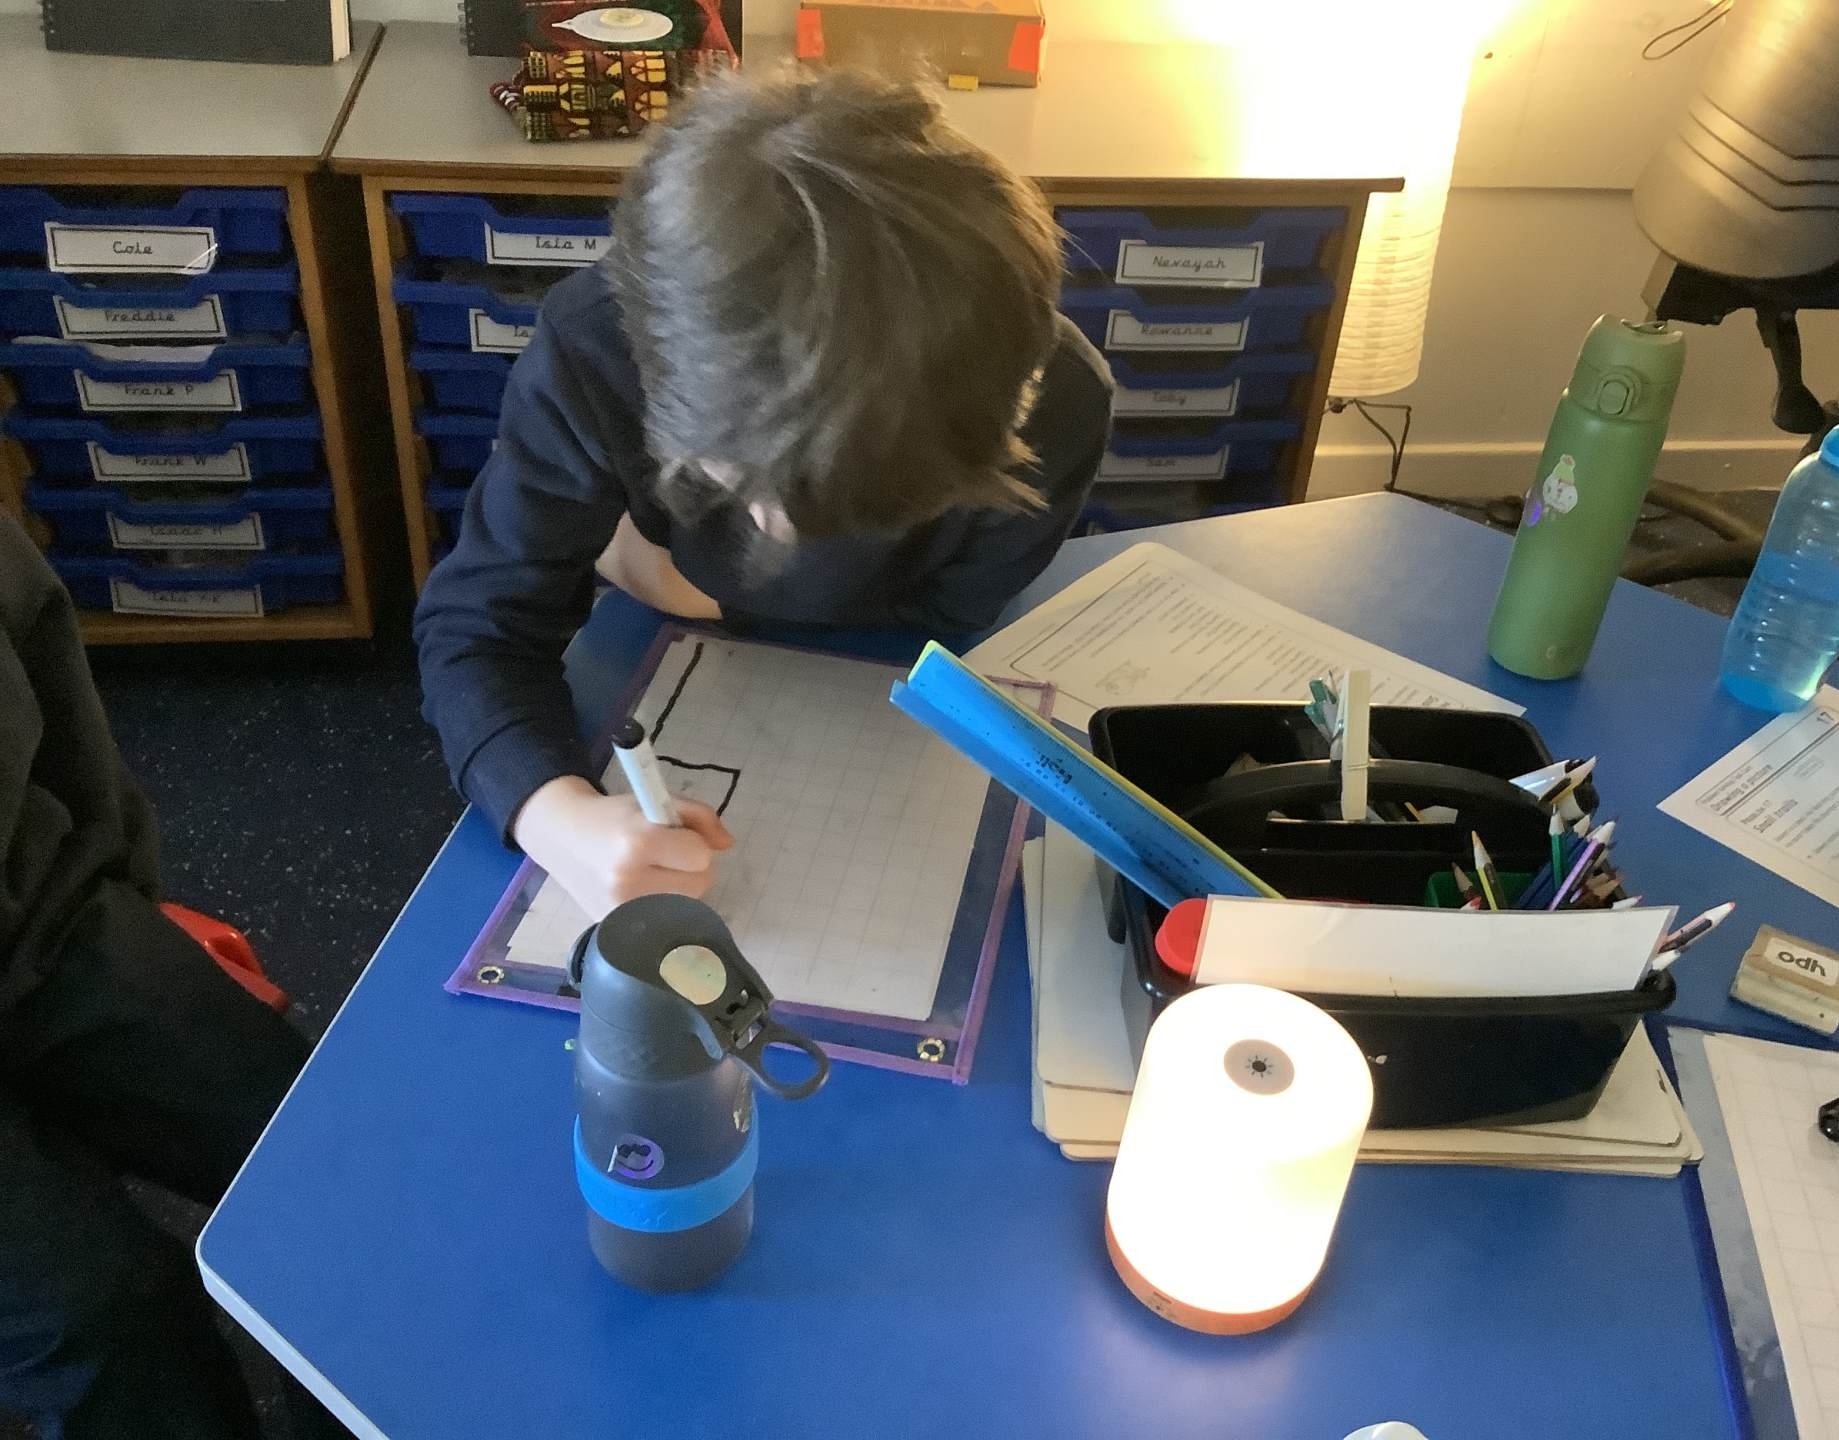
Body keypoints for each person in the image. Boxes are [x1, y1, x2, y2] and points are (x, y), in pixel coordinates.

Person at [415, 66, 1113, 921]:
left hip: (857, 667)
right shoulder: (594, 345)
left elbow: (951, 609)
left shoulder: (1059, 403)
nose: (777, 533)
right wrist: (558, 818)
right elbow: (478, 623)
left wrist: (686, 587)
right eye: (732, 484)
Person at [0, 514, 340, 1440]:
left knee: (329, 1166)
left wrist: (115, 891)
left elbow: (40, 651)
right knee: (107, 1321)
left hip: (39, 916)